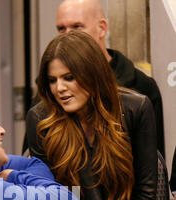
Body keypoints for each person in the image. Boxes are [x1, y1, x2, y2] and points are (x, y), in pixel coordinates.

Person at [26, 30, 158, 200]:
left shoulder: (136, 108)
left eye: (69, 78)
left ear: (92, 74)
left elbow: (147, 192)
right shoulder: (40, 118)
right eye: (52, 81)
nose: (59, 89)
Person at [55, 0, 165, 158]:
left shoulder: (140, 88)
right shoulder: (50, 90)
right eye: (61, 29)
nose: (68, 36)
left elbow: (155, 165)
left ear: (102, 28)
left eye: (77, 27)